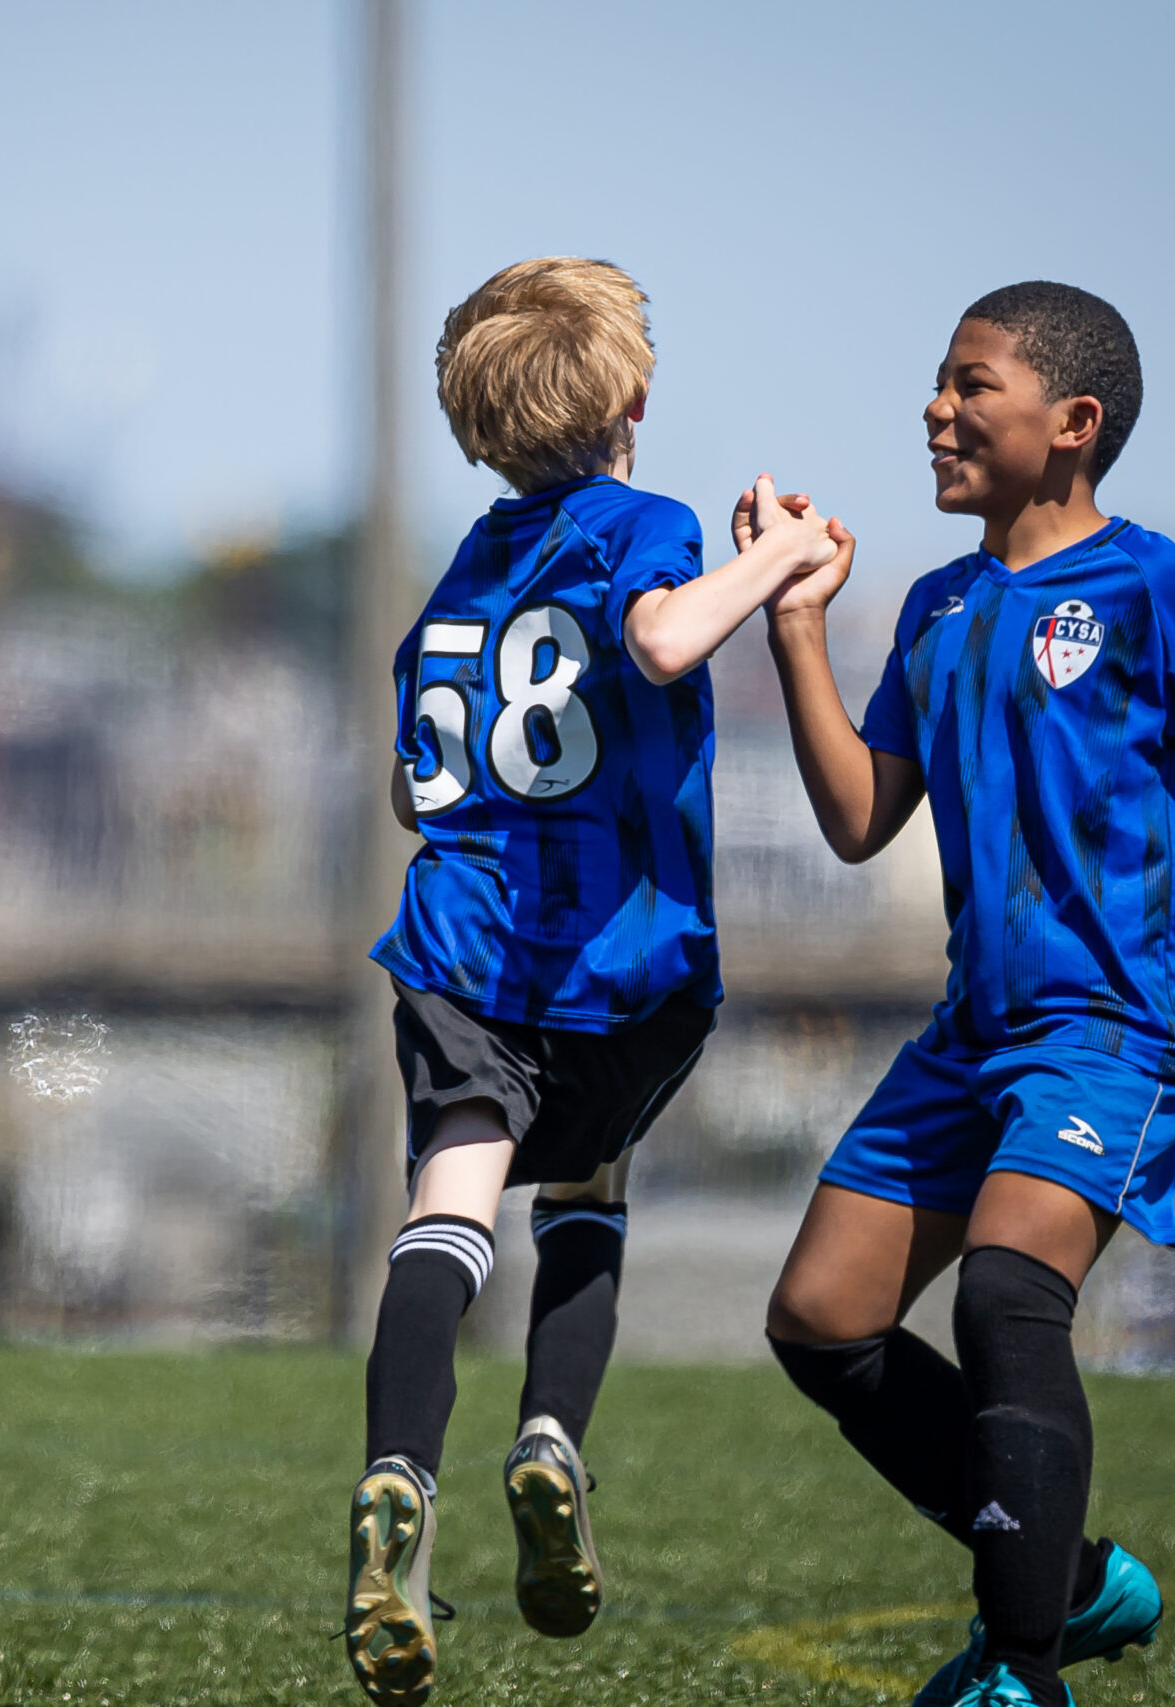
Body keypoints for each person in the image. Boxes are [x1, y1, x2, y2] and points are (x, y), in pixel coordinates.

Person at [753, 282, 1175, 1707]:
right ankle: (1069, 1582)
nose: (936, 409)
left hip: (1120, 1033)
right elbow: (855, 818)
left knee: (1010, 1292)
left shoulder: (1151, 585)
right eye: (936, 383)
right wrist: (794, 626)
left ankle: (1021, 1672)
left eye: (971, 385)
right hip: (975, 1038)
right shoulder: (941, 606)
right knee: (820, 1320)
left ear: (1072, 425)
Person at [343, 257, 845, 1705]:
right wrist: (781, 556)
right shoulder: (646, 529)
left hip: (457, 953)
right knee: (588, 1195)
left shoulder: (462, 575)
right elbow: (665, 634)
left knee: (447, 1208)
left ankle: (397, 1478)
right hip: (614, 968)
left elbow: (409, 787)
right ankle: (551, 1438)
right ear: (633, 398)